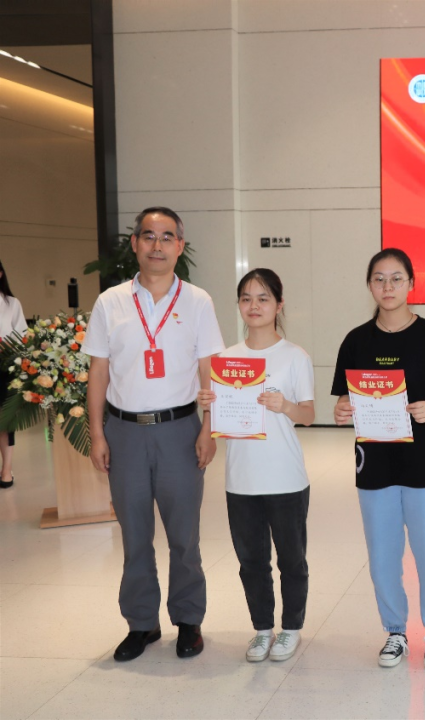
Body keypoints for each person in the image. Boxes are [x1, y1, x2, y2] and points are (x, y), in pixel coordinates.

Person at [84, 207, 225, 661]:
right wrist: (97, 434)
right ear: (135, 244)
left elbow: (209, 369)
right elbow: (98, 371)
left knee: (184, 536)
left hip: (180, 430)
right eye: (149, 236)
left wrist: (209, 428)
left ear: (179, 246)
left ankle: (189, 619)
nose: (157, 245)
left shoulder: (197, 301)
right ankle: (141, 624)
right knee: (134, 536)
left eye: (167, 237)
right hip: (124, 433)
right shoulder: (110, 302)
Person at [332, 248, 425, 670]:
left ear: (411, 283)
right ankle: (394, 630)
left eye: (396, 278)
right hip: (375, 466)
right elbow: (344, 398)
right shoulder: (356, 341)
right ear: (369, 285)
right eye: (379, 278)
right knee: (383, 557)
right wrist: (342, 409)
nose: (387, 286)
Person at [196, 269, 314, 663]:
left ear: (279, 305)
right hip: (241, 478)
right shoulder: (225, 359)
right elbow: (221, 418)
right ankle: (263, 629)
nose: (254, 306)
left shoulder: (295, 356)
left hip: (285, 476)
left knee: (291, 559)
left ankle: (291, 628)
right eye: (246, 298)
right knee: (251, 562)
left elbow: (309, 415)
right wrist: (209, 405)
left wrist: (286, 406)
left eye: (263, 298)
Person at [0, 260, 27, 489]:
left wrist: (7, 346)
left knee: (5, 420)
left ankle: (6, 470)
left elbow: (22, 334)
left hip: (5, 367)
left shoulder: (11, 303)